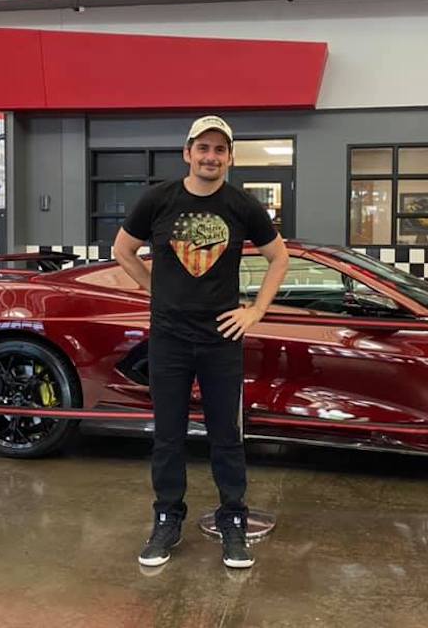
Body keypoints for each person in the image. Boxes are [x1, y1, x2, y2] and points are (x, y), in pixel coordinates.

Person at [113, 115, 289, 569]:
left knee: (226, 436)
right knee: (168, 436)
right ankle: (167, 518)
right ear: (187, 153)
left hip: (220, 340)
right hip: (169, 338)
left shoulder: (242, 205)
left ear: (229, 157)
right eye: (203, 148)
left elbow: (279, 256)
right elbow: (121, 250)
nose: (211, 157)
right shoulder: (158, 200)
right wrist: (158, 289)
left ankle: (233, 520)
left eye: (220, 150)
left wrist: (255, 311)